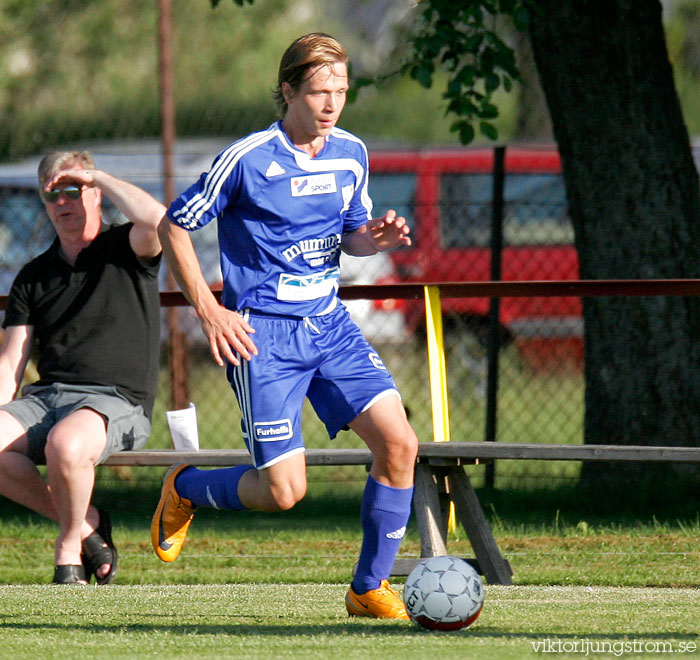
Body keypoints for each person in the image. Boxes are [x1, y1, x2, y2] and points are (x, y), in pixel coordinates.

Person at [151, 33, 419, 619]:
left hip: (330, 324)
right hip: (263, 336)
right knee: (283, 493)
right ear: (288, 90)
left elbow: (351, 232)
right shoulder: (248, 159)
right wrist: (209, 308)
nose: (332, 105)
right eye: (320, 92)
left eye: (341, 92)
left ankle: (368, 588)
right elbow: (174, 224)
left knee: (400, 444)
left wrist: (371, 239)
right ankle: (186, 486)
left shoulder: (352, 152)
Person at [0, 150, 164, 584]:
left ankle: (70, 545)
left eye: (73, 190)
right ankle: (89, 525)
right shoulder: (33, 276)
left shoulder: (127, 248)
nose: (63, 202)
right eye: (52, 194)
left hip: (116, 402)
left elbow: (160, 221)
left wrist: (98, 175)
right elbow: (11, 362)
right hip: (46, 400)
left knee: (66, 445)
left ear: (94, 194)